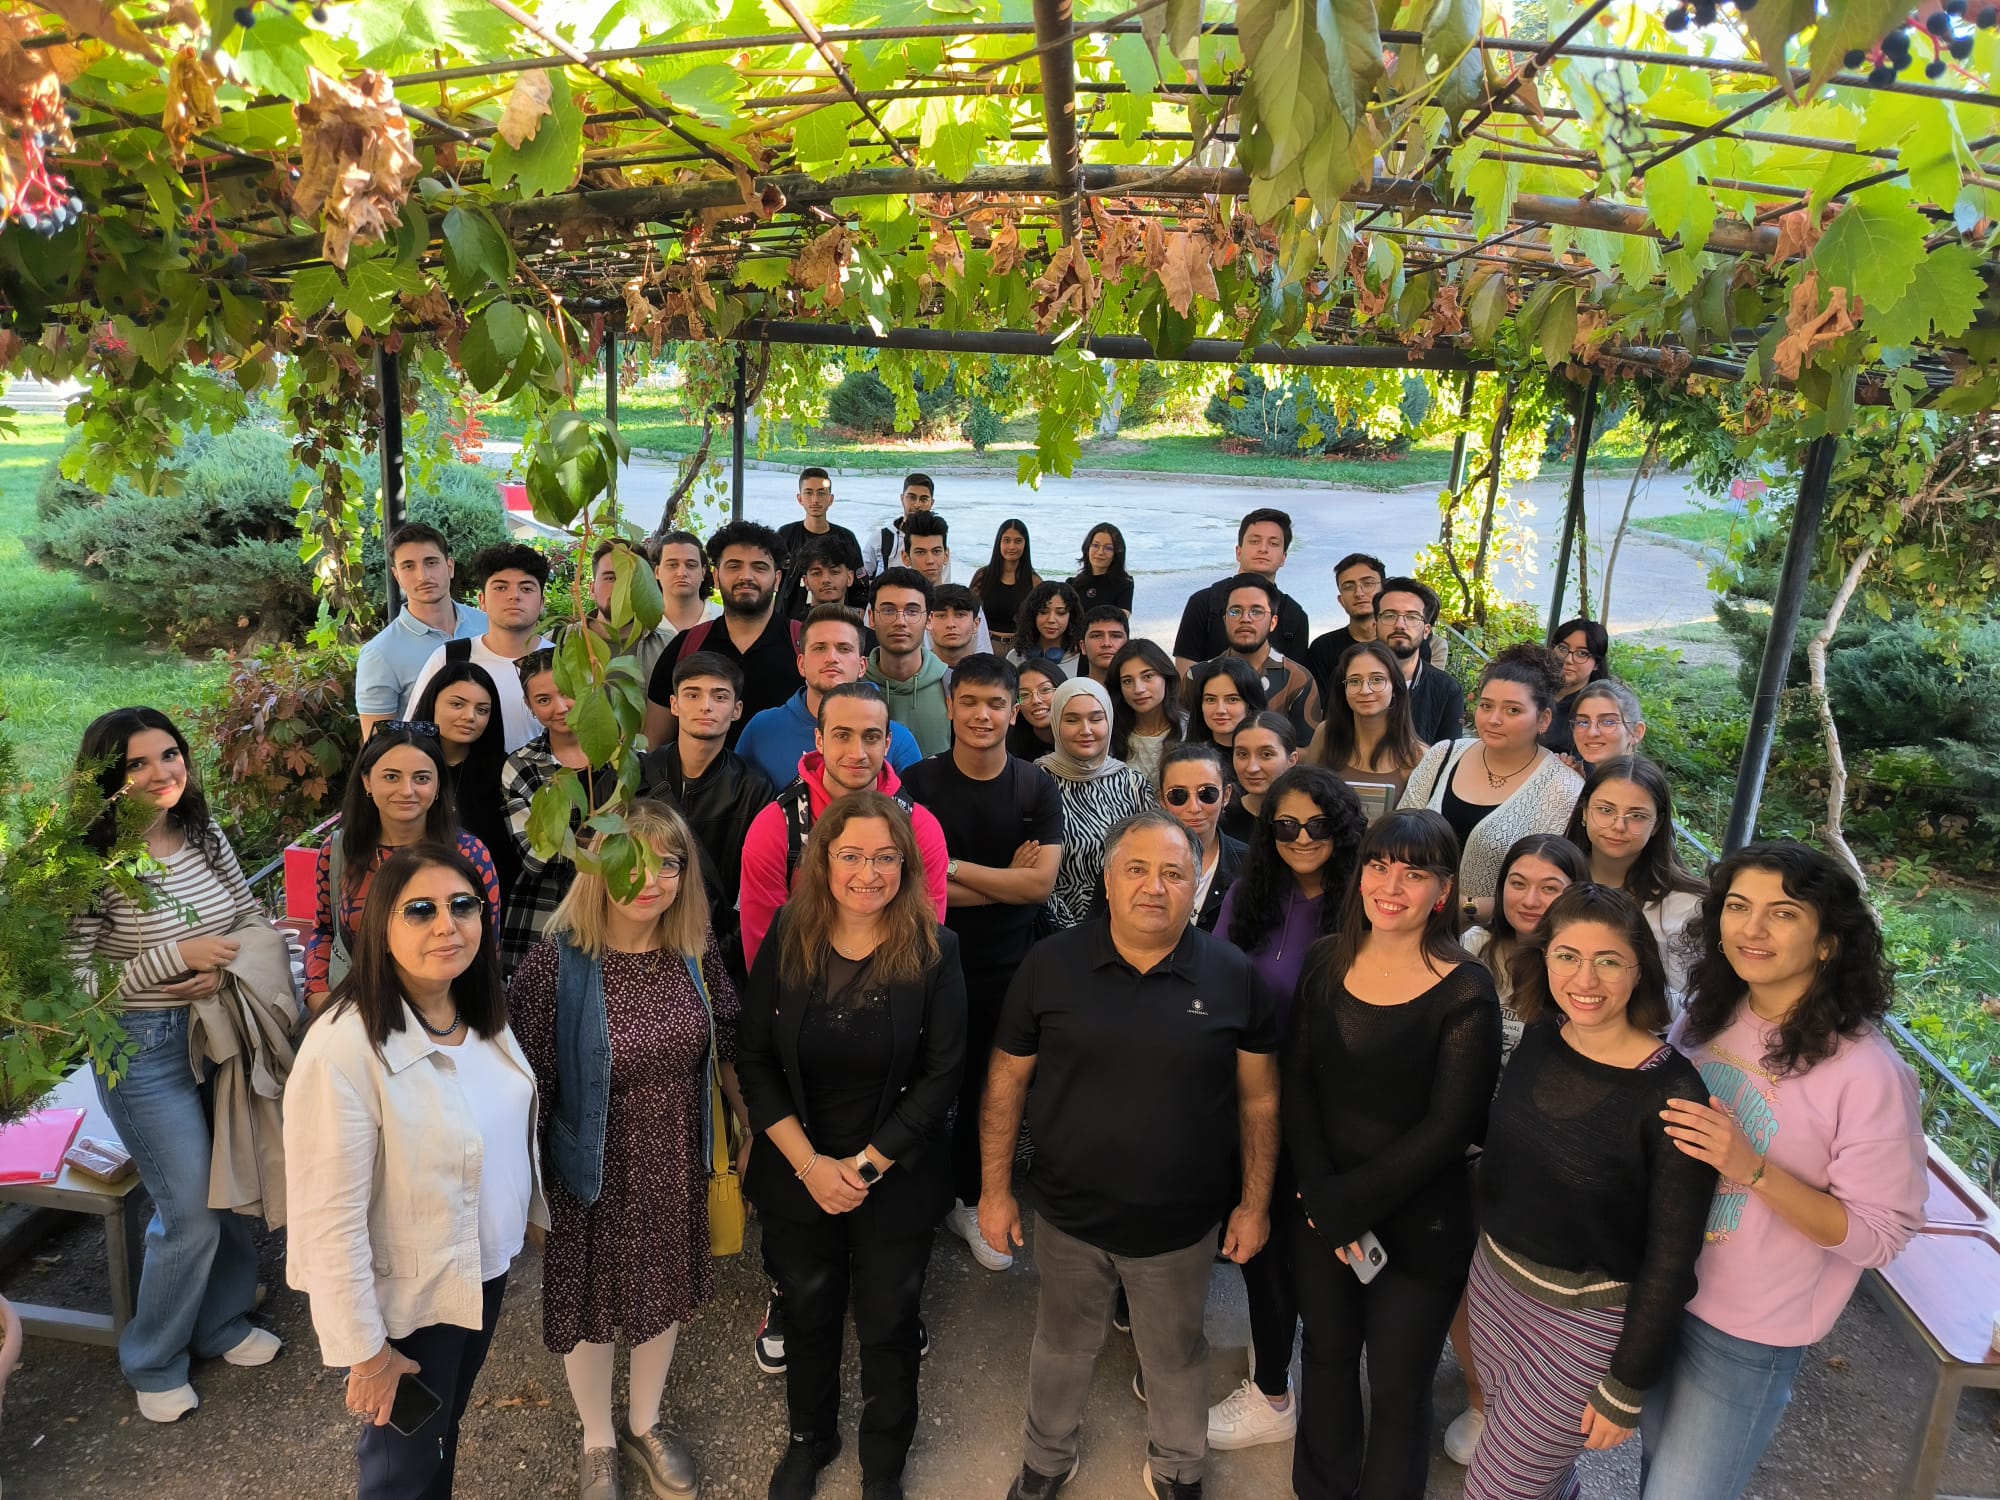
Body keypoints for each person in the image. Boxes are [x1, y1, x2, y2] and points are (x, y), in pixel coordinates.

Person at [982, 809, 1281, 1500]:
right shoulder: (1050, 965)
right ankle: (1046, 1458)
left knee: (1176, 1354)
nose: (1155, 886)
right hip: (1067, 1216)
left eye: (1174, 872)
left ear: (1195, 885)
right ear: (1109, 880)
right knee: (1061, 1346)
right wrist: (994, 1191)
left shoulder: (1233, 976)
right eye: (1137, 869)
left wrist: (1254, 1204)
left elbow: (1261, 1101)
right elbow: (1006, 1081)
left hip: (1179, 1226)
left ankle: (1178, 1465)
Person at [1641, 842, 1926, 1500]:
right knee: (1654, 1467)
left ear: (1829, 941)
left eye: (1784, 913)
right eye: (1738, 906)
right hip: (1663, 1284)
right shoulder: (1707, 1014)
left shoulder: (1868, 1073)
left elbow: (1880, 1236)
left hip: (1747, 1331)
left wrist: (1755, 1170)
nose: (1753, 928)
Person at [285, 844, 546, 1500]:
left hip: (480, 1272)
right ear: (380, 928)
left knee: (438, 1436)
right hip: (410, 1301)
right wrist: (366, 1353)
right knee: (399, 1472)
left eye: (462, 905)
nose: (446, 925)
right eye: (421, 910)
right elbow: (327, 1219)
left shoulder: (472, 1011)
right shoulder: (344, 1048)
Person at [737, 792, 968, 1500]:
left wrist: (863, 1167)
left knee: (889, 1321)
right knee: (808, 1311)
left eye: (885, 857)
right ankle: (810, 1439)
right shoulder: (790, 931)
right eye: (851, 856)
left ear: (907, 865)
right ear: (823, 861)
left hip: (893, 1170)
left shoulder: (935, 949)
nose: (868, 873)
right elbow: (754, 1059)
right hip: (799, 1165)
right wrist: (811, 1166)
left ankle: (884, 1462)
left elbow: (942, 1075)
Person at [509, 801, 742, 1500]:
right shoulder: (557, 965)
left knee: (659, 1294)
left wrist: (749, 1127)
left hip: (674, 1158)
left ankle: (644, 1423)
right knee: (592, 1306)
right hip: (591, 1170)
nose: (652, 881)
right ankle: (598, 1439)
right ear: (597, 865)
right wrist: (532, 1197)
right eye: (632, 862)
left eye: (669, 864)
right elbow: (526, 1088)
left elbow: (728, 1037)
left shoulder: (693, 947)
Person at [64, 708, 285, 1421]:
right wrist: (173, 958)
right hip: (140, 1051)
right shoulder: (90, 865)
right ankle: (154, 1358)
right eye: (137, 763)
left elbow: (247, 916)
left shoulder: (200, 831)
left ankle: (220, 1323)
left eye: (170, 754)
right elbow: (73, 987)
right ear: (105, 778)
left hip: (216, 1029)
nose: (162, 772)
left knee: (229, 1182)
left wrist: (221, 970)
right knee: (188, 1208)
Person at [1463, 885, 1717, 1500]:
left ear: (1640, 970)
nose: (1585, 979)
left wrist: (1627, 1382)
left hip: (1580, 1327)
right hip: (1495, 1290)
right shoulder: (1543, 1036)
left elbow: (1672, 1255)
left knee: (1498, 1490)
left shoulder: (1672, 1093)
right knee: (1540, 1484)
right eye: (1567, 956)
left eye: (1608, 961)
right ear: (1544, 959)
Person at [1282, 809, 1502, 1500]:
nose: (1391, 886)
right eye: (1379, 866)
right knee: (1325, 1356)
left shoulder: (1466, 987)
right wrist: (1320, 1192)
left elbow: (1450, 1126)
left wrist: (1346, 1205)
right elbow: (1298, 1084)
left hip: (1420, 1221)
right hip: (1322, 1207)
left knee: (1400, 1384)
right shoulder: (1326, 960)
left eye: (1414, 873)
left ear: (1444, 890)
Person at [1206, 766, 1367, 1455]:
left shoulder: (1364, 904)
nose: (1302, 837)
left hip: (1326, 1106)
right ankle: (1274, 1381)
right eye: (1286, 825)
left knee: (1301, 1253)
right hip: (1247, 1094)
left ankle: (1279, 1388)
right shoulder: (1250, 892)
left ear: (1343, 828)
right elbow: (1215, 972)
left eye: (1318, 824)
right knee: (1257, 1240)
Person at [902, 655, 1065, 1276]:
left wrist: (950, 867)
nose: (981, 715)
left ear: (1014, 712)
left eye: (996, 704)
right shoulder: (919, 782)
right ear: (949, 707)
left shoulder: (1033, 785)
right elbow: (914, 891)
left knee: (988, 1085)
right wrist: (1003, 882)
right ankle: (916, 1197)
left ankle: (970, 1199)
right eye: (968, 701)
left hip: (1008, 963)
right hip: (927, 957)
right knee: (924, 1079)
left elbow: (1039, 886)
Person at [1439, 832, 1590, 1467]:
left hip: (1542, 1160)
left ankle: (1522, 1400)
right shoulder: (1474, 948)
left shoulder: (1582, 967)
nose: (1530, 899)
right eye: (1518, 883)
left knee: (1521, 1288)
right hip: (1465, 1145)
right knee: (1462, 1276)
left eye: (1550, 887)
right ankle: (1481, 1397)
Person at [739, 682, 950, 969]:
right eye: (842, 736)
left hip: (896, 984)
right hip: (798, 987)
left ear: (888, 743)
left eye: (871, 737)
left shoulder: (919, 828)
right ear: (819, 740)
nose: (857, 753)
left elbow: (925, 939)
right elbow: (764, 953)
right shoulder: (776, 827)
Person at [306, 724, 502, 1003]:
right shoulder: (340, 851)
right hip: (357, 1006)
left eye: (421, 778)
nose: (407, 790)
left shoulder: (468, 853)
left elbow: (487, 948)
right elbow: (325, 930)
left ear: (438, 785)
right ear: (367, 781)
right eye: (391, 777)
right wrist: (318, 996)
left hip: (444, 1008)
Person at [1400, 643, 1584, 924]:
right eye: (1486, 706)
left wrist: (1460, 908)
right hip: (1409, 919)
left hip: (1492, 937)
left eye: (1513, 710)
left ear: (1544, 719)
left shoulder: (1562, 788)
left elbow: (1547, 891)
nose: (1494, 719)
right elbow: (1400, 833)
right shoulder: (1443, 755)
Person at [640, 651, 779, 987]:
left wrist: (720, 959)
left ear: (737, 710)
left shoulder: (753, 788)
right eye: (693, 694)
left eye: (719, 697)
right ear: (674, 705)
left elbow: (754, 892)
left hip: (717, 961)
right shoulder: (636, 776)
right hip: (639, 947)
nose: (706, 706)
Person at [643, 521, 804, 754]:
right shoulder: (686, 646)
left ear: (777, 579)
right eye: (734, 566)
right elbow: (654, 745)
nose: (746, 576)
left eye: (759, 567)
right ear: (716, 577)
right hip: (701, 778)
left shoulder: (805, 645)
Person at [1565, 755, 1706, 1001]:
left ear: (1657, 824)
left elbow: (1686, 1001)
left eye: (1637, 816)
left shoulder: (1686, 906)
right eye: (1606, 810)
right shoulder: (1552, 882)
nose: (1619, 826)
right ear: (1584, 812)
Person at [500, 649, 605, 975]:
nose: (560, 708)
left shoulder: (623, 754)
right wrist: (607, 843)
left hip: (615, 909)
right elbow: (536, 855)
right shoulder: (521, 766)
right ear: (529, 706)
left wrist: (570, 839)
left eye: (567, 693)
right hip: (546, 915)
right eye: (544, 700)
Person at [739, 603, 921, 789]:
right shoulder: (761, 729)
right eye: (819, 648)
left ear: (862, 666)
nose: (832, 658)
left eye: (844, 648)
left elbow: (914, 806)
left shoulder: (898, 739)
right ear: (801, 664)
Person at [405, 542, 554, 752]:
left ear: (541, 603)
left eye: (526, 588)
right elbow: (415, 733)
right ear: (482, 600)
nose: (514, 596)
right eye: (501, 587)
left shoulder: (563, 662)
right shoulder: (450, 657)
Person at [1036, 678, 1155, 930]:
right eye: (1072, 720)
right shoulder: (1034, 783)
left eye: (1096, 718)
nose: (1086, 730)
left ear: (1109, 721)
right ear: (1055, 723)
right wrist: (1072, 931)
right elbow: (1029, 870)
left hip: (1126, 925)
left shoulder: (1134, 785)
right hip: (1054, 929)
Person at [356, 522, 488, 741]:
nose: (423, 576)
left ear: (450, 567)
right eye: (409, 566)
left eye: (431, 562)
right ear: (397, 576)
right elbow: (379, 747)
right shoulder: (380, 654)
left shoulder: (488, 625)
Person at [411, 659, 518, 901]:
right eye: (457, 704)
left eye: (482, 710)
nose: (470, 717)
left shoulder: (504, 771)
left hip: (485, 899)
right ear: (433, 701)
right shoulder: (404, 763)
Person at [1172, 508, 1310, 671]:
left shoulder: (1294, 616)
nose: (1263, 549)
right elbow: (1185, 677)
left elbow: (1297, 680)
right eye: (1254, 541)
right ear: (1238, 551)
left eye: (1273, 543)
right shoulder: (1204, 603)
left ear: (1283, 558)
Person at [1304, 641, 1428, 818]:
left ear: (1395, 687)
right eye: (1354, 681)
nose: (1365, 690)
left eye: (1377, 680)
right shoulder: (1325, 734)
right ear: (1344, 690)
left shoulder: (1417, 755)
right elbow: (1305, 799)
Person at [1207, 573, 1321, 740]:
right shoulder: (1199, 675)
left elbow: (1308, 749)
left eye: (1256, 611)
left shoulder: (1298, 680)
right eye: (1235, 611)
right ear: (1225, 620)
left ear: (1273, 622)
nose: (1245, 619)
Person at [1158, 742, 1247, 933]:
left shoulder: (1249, 864)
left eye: (1207, 793)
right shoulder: (1131, 860)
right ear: (1162, 800)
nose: (1194, 807)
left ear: (1226, 795)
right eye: (1178, 795)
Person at [865, 567, 953, 756]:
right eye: (888, 610)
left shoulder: (951, 685)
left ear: (929, 620)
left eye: (912, 611)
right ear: (871, 618)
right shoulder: (853, 684)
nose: (900, 621)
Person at [1372, 576, 1465, 746]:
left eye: (1412, 617)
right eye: (1389, 615)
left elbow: (1447, 756)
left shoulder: (1447, 690)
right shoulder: (1350, 680)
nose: (1400, 625)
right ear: (1375, 625)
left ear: (1426, 631)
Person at [589, 538, 683, 687]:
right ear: (592, 589)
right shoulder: (559, 642)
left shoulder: (669, 646)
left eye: (631, 578)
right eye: (610, 578)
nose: (621, 588)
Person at [778, 467, 862, 610]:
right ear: (799, 498)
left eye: (821, 493)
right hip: (790, 618)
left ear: (830, 499)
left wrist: (853, 617)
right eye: (809, 493)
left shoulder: (846, 538)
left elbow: (860, 589)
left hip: (837, 617)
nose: (815, 500)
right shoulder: (786, 535)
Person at [1304, 552, 1385, 697]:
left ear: (1384, 593)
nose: (1359, 593)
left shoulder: (1401, 643)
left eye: (1368, 584)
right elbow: (1319, 705)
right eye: (1348, 587)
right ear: (1341, 600)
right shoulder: (1323, 648)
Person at [1109, 639, 1187, 785]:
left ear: (1166, 677)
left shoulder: (1189, 728)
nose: (1138, 689)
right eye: (1127, 681)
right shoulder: (1110, 733)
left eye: (1148, 676)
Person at [1223, 711, 1298, 846]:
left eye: (1266, 754)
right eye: (1242, 754)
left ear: (1292, 760)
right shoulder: (1221, 818)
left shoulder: (1310, 816)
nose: (1252, 768)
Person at [969, 518, 1042, 654]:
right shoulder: (983, 576)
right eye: (1006, 540)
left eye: (1018, 541)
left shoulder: (1034, 581)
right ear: (999, 543)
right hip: (986, 645)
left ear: (1025, 544)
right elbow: (968, 611)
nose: (1012, 546)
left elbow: (1040, 620)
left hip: (1020, 649)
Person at [1544, 617, 1611, 758]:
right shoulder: (1532, 689)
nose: (1568, 659)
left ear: (1597, 664)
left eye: (1582, 653)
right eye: (1563, 648)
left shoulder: (1596, 709)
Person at [1184, 655, 1267, 753]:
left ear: (1250, 703)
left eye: (1232, 699)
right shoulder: (1183, 758)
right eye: (1210, 699)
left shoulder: (1273, 755)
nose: (1220, 710)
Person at [650, 528, 722, 639]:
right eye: (672, 565)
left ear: (703, 572)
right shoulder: (642, 626)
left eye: (691, 565)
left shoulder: (725, 619)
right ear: (657, 572)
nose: (682, 573)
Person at [789, 531, 869, 629]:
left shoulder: (866, 635)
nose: (826, 580)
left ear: (850, 577)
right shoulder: (792, 632)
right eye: (816, 573)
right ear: (806, 582)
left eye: (834, 572)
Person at [863, 472, 936, 577]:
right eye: (912, 498)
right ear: (902, 499)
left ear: (931, 503)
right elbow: (863, 579)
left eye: (923, 499)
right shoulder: (880, 539)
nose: (917, 504)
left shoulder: (938, 541)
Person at [1570, 677, 1649, 773]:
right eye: (1583, 722)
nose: (1591, 732)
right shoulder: (1581, 776)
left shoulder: (1636, 781)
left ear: (1636, 732)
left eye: (1608, 722)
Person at [1008, 580, 1084, 673]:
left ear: (1072, 616)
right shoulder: (1014, 657)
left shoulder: (1083, 660)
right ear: (1033, 614)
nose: (1051, 620)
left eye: (1061, 613)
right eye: (1043, 612)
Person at [1067, 522, 1135, 614]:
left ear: (1117, 553)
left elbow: (1122, 618)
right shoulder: (1072, 584)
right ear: (1087, 548)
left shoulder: (1124, 583)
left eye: (1108, 548)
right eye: (1095, 545)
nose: (1100, 552)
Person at [1007, 658, 1066, 762]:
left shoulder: (1084, 737)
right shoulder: (1010, 753)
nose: (1036, 700)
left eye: (1045, 689)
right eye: (1024, 694)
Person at [928, 583, 991, 666]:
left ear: (976, 624)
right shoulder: (913, 670)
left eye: (960, 615)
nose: (951, 624)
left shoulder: (993, 672)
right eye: (941, 616)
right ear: (928, 622)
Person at [899, 510, 954, 589]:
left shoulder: (961, 597)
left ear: (946, 555)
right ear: (906, 558)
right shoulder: (894, 597)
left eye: (936, 551)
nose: (930, 561)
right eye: (920, 552)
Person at [1079, 606, 1130, 686]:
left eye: (1115, 636)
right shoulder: (1071, 691)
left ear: (1128, 645)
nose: (1106, 643)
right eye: (1097, 636)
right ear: (1083, 647)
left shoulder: (1141, 691)